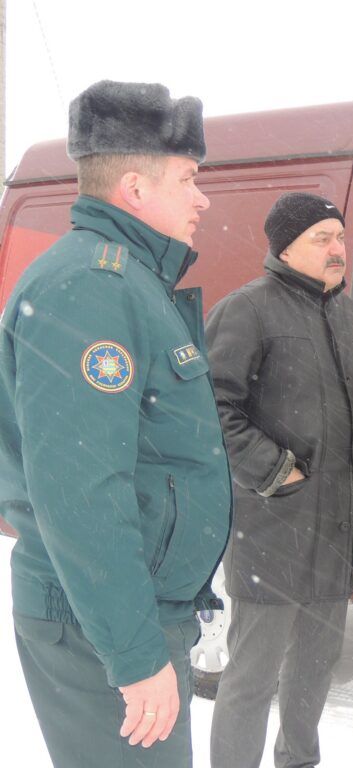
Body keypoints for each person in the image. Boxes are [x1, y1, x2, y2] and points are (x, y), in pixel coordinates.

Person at [0, 81, 231, 767]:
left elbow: (155, 466)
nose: (203, 197)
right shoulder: (92, 287)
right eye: (189, 178)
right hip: (97, 619)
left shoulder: (128, 281)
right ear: (134, 187)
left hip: (124, 608)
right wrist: (133, 656)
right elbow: (81, 493)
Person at [206, 192, 353, 768]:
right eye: (321, 238)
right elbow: (211, 408)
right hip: (272, 530)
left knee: (314, 673)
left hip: (335, 533)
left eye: (340, 237)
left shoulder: (352, 322)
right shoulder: (247, 310)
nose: (336, 248)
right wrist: (273, 469)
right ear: (285, 246)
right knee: (252, 678)